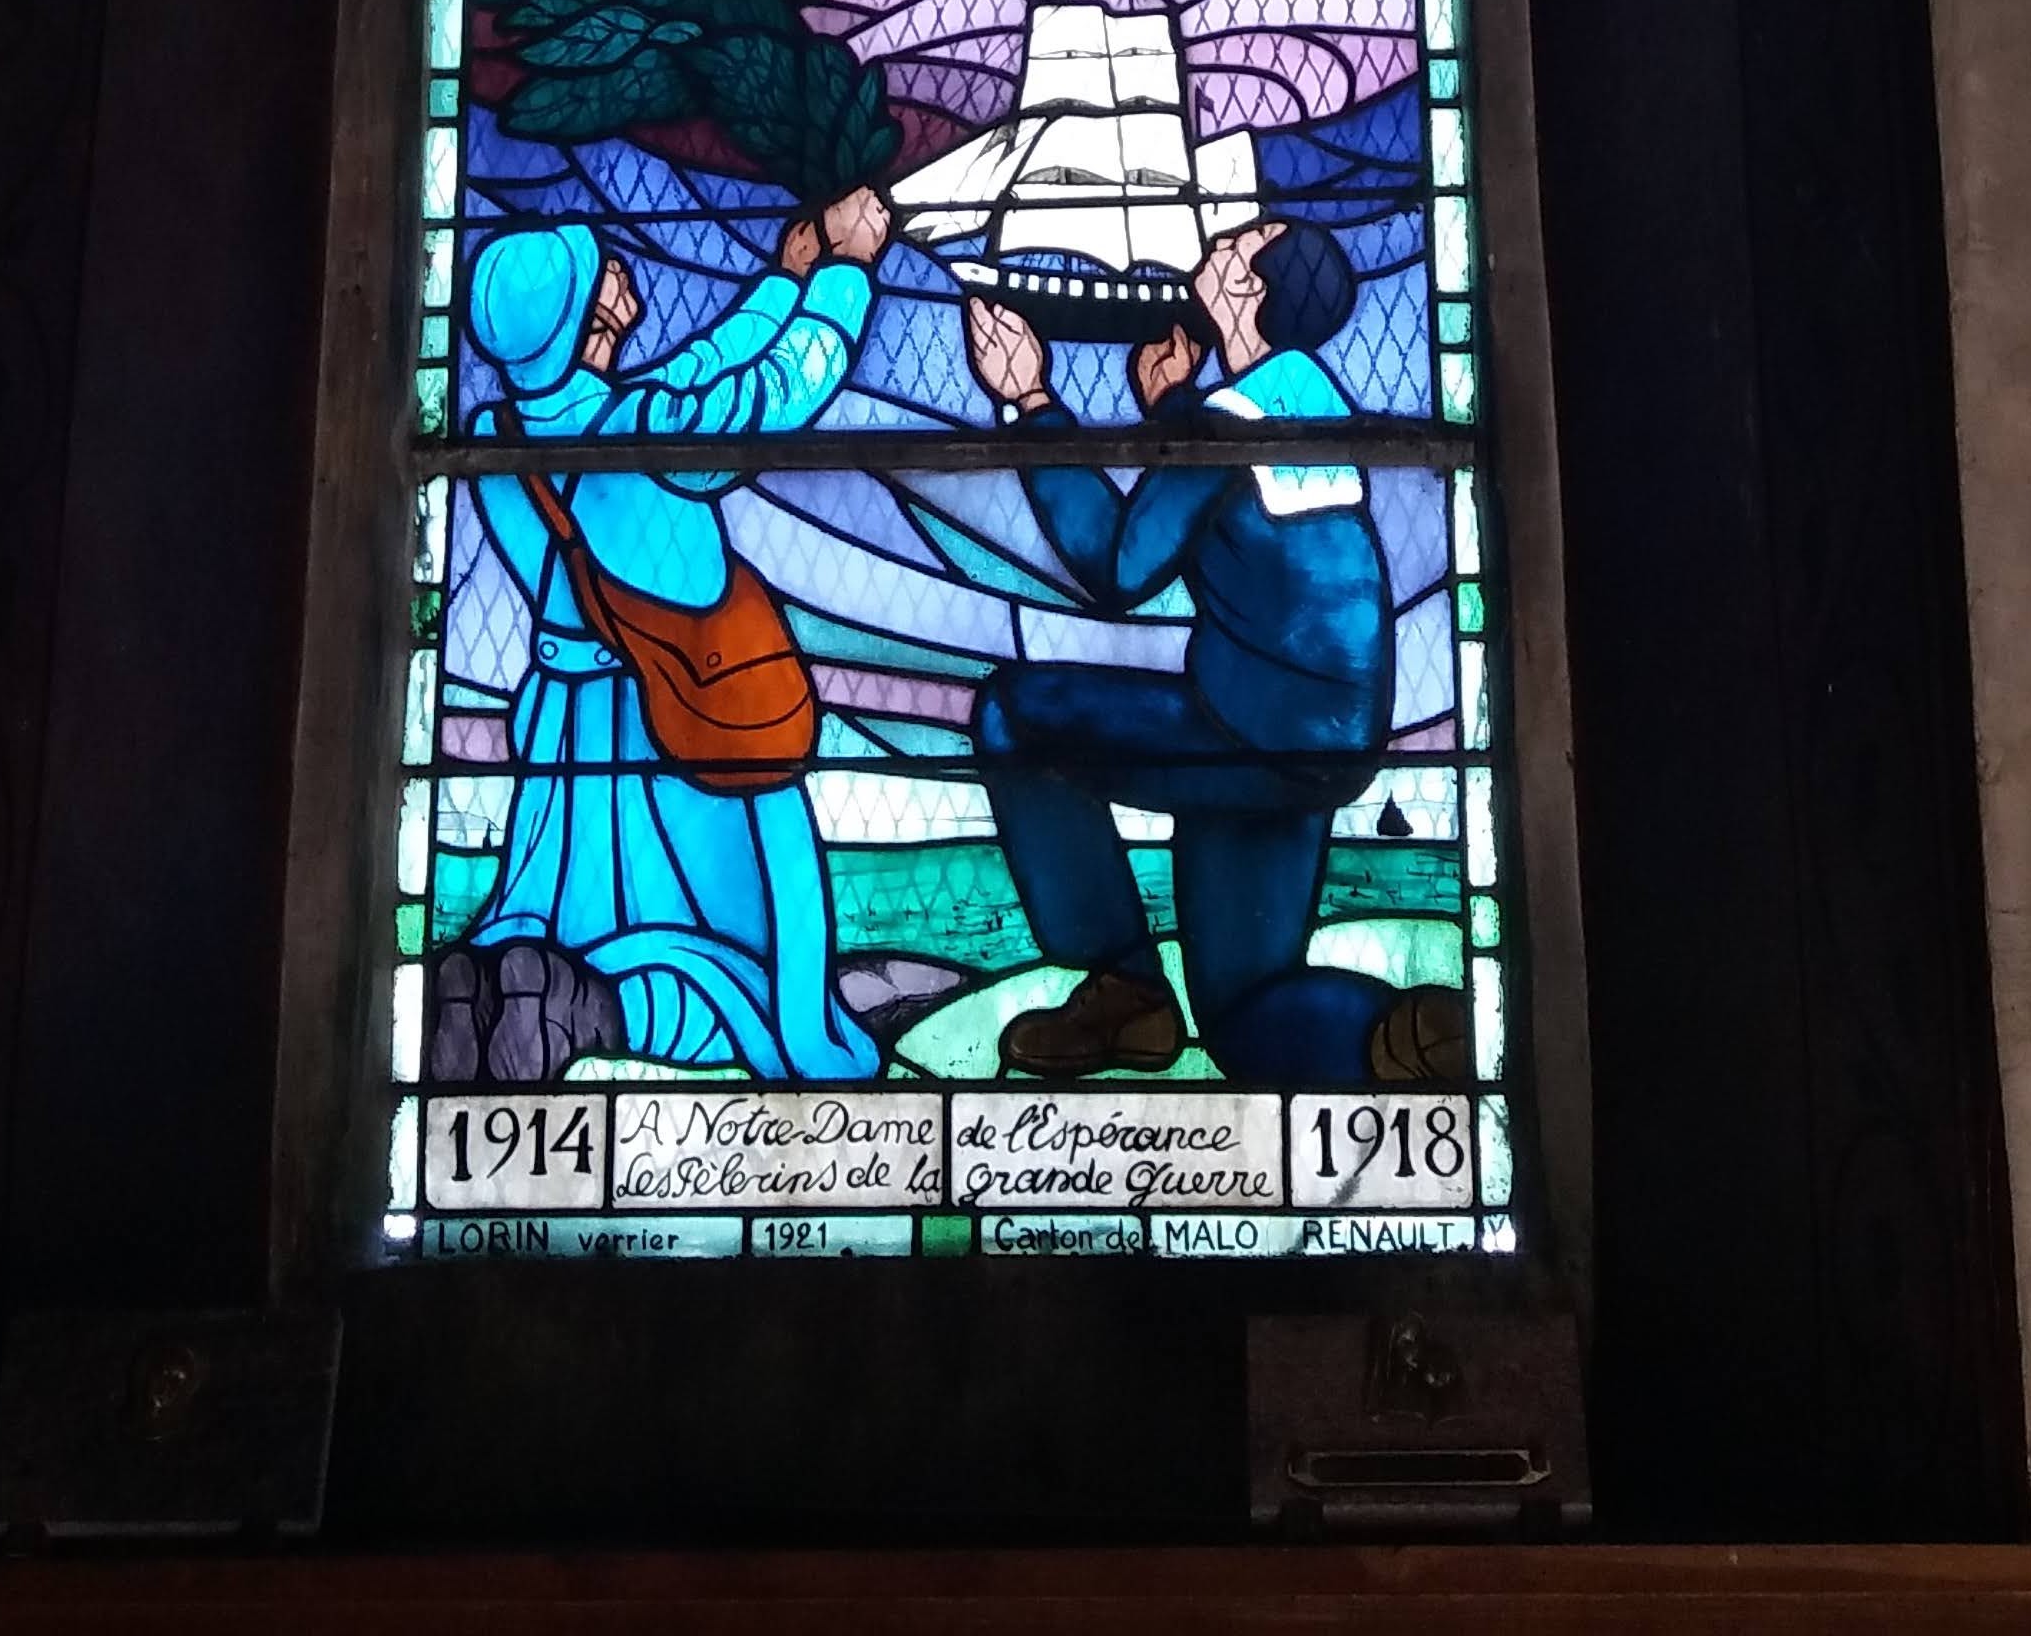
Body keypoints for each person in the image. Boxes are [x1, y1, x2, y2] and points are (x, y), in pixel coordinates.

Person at [962, 216, 1466, 1088]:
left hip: (1242, 733)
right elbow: (1244, 526)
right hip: (1324, 743)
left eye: (1236, 243)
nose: (1214, 243)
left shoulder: (1230, 425)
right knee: (1242, 1016)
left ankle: (1122, 984)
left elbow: (1118, 567)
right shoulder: (1306, 403)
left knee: (1013, 713)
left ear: (1247, 290)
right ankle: (1399, 1037)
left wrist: (1030, 403)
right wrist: (1167, 409)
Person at [431, 186, 891, 1086]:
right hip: (677, 717)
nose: (618, 267)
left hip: (565, 731)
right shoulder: (642, 430)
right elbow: (773, 394)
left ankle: (509, 989)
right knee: (732, 953)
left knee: (574, 908)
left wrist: (781, 281)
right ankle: (599, 1012)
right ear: (586, 321)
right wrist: (846, 275)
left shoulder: (499, 435)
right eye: (598, 269)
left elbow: (685, 380)